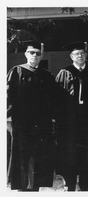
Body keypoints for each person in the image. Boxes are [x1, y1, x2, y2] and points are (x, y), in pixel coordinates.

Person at [7, 40, 58, 191]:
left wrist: (53, 118)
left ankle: (36, 187)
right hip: (22, 123)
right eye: (31, 52)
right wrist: (7, 118)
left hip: (42, 124)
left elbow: (53, 99)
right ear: (25, 54)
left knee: (40, 154)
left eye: (37, 53)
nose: (34, 56)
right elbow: (8, 96)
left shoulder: (46, 75)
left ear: (41, 56)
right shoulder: (16, 71)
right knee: (22, 154)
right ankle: (22, 187)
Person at [55, 41, 88, 191]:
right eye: (76, 54)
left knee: (87, 152)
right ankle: (70, 184)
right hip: (69, 123)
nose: (79, 56)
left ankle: (86, 185)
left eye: (82, 53)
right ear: (71, 56)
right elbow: (58, 99)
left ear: (86, 55)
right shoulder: (64, 72)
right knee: (70, 153)